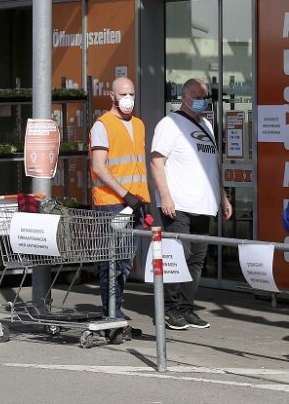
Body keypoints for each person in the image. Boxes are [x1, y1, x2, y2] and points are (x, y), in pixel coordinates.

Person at [150, 78, 232, 330]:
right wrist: (165, 196)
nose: (202, 100)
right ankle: (171, 309)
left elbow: (213, 166)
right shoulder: (169, 123)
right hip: (179, 204)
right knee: (178, 256)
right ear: (184, 96)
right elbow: (156, 161)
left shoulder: (206, 124)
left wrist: (223, 196)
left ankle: (187, 308)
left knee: (196, 259)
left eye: (205, 96)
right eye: (197, 95)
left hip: (204, 205)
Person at [88, 77, 149, 340]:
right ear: (112, 96)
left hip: (134, 204)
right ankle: (112, 317)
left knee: (124, 264)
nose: (128, 99)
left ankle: (116, 316)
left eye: (132, 94)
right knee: (113, 264)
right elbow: (99, 167)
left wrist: (142, 200)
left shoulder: (139, 124)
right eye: (123, 94)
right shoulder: (103, 125)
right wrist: (126, 194)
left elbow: (137, 166)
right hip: (112, 204)